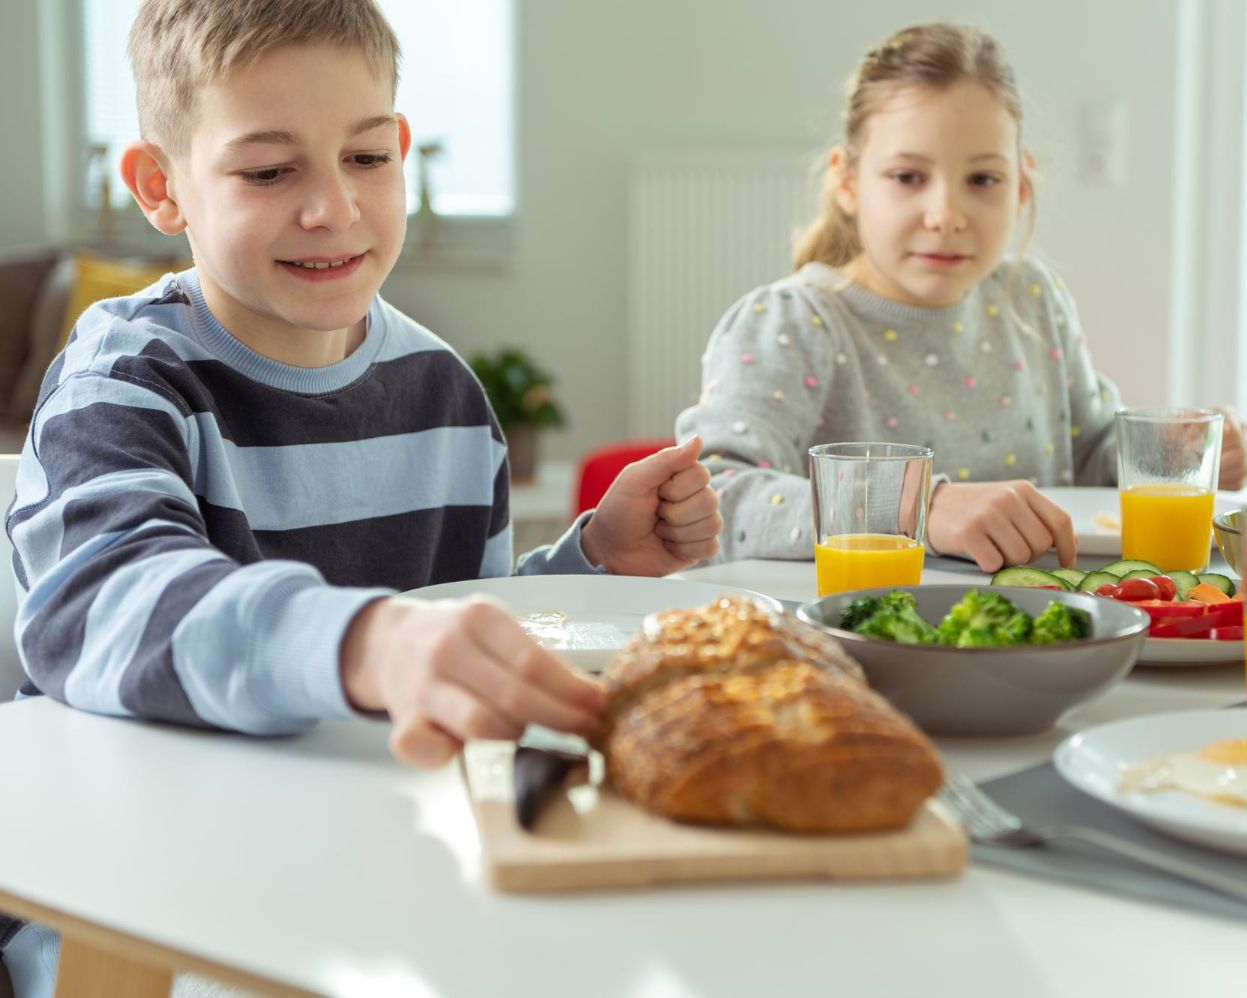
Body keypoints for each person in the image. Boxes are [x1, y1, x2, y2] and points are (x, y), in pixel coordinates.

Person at [2, 0, 725, 990]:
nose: (333, 207)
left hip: (378, 875)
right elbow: (101, 605)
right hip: (144, 906)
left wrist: (594, 557)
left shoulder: (447, 397)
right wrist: (365, 642)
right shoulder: (123, 380)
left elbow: (460, 627)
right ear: (162, 187)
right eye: (268, 169)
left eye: (368, 157)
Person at [676, 23, 1247, 572]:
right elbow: (713, 495)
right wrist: (917, 507)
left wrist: (1175, 459)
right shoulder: (796, 322)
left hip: (1031, 634)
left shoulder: (1032, 300)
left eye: (982, 180)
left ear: (1020, 187)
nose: (946, 215)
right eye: (907, 177)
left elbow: (1094, 458)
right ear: (848, 183)